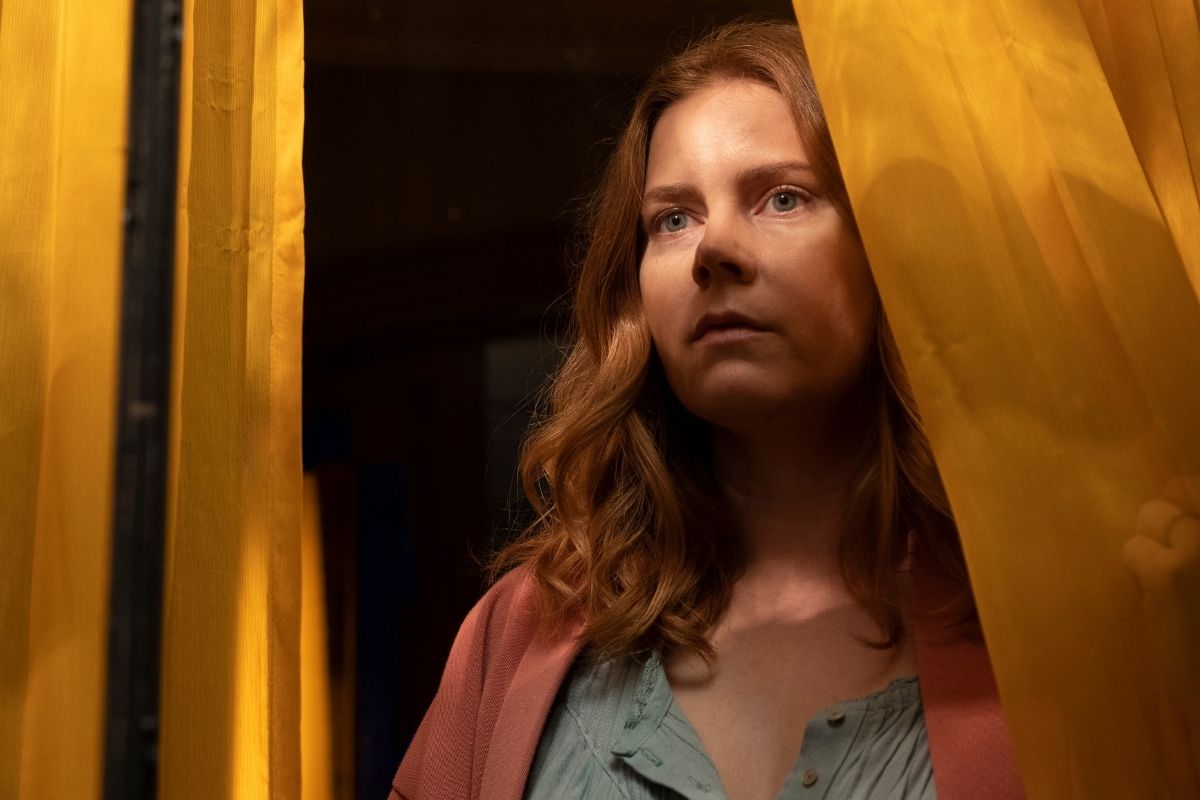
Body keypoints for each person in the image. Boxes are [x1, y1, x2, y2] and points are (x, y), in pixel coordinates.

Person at [390, 20, 1022, 800]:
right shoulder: (521, 633)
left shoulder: (1043, 619)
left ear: (889, 246)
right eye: (673, 219)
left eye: (782, 197)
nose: (711, 250)